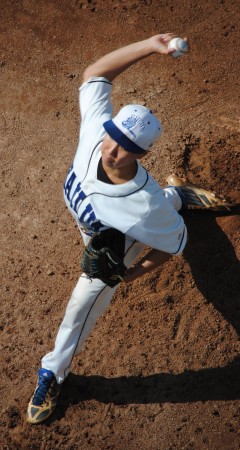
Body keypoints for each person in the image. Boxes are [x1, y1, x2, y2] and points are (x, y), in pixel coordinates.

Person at [26, 33, 231, 424]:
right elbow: (95, 75)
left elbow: (175, 244)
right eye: (113, 136)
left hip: (118, 248)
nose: (112, 149)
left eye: (125, 146)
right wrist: (149, 47)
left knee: (80, 307)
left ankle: (53, 371)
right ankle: (179, 195)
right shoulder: (97, 130)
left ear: (143, 154)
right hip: (113, 221)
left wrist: (128, 274)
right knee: (160, 207)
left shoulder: (145, 206)